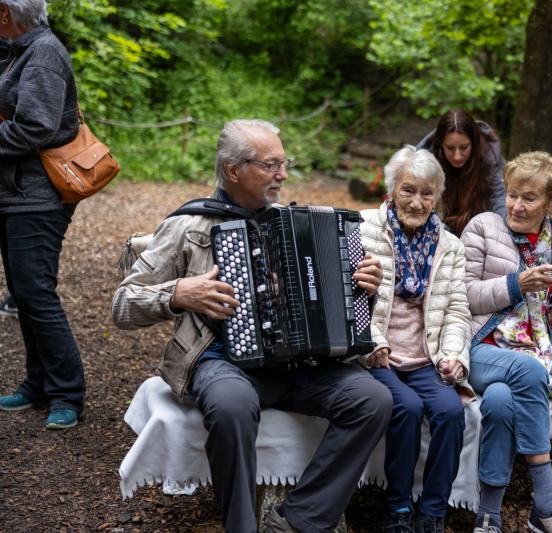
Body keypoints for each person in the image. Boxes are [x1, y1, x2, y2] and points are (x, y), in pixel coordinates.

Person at [112, 119, 393, 533]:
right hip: (220, 359)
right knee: (230, 405)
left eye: (284, 163)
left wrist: (361, 287)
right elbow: (122, 305)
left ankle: (298, 520)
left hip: (299, 364)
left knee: (372, 399)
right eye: (271, 165)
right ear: (233, 170)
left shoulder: (293, 222)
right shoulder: (188, 226)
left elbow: (332, 309)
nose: (282, 174)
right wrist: (177, 294)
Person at [460, 151, 552, 533]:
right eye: (512, 194)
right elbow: (464, 294)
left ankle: (488, 516)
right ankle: (548, 501)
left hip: (534, 353)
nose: (516, 205)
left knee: (501, 403)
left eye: (529, 198)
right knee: (526, 371)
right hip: (481, 346)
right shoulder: (483, 227)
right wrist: (516, 284)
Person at [359, 145, 472, 533]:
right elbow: (350, 302)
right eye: (408, 190)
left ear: (437, 196)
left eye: (427, 193)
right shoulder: (363, 230)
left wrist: (455, 354)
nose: (417, 201)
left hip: (427, 356)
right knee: (404, 407)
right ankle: (398, 508)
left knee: (451, 411)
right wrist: (375, 343)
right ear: (391, 191)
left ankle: (434, 511)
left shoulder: (450, 245)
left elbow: (458, 311)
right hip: (379, 355)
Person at [0, 0, 86, 429]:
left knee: (35, 293)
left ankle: (67, 393)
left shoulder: (44, 53)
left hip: (39, 198)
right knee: (24, 293)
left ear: (4, 12)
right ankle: (37, 383)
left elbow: (35, 125)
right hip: (15, 195)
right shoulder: (17, 49)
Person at [416, 109, 506, 236]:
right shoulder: (426, 161)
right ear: (441, 143)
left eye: (464, 148)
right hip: (438, 229)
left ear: (474, 143)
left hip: (479, 228)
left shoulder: (491, 158)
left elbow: (499, 197)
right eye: (450, 148)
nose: (457, 156)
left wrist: (503, 230)